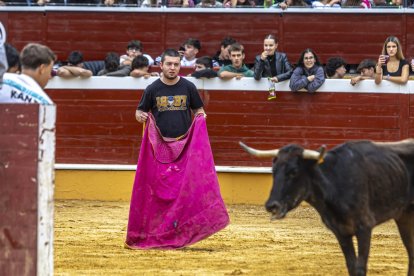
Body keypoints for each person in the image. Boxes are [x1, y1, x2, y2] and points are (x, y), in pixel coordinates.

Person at [125, 48, 229, 249]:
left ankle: (181, 230)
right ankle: (159, 231)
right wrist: (140, 117)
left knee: (184, 193)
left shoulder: (188, 87)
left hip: (185, 150)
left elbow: (198, 109)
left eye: (176, 64)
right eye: (169, 64)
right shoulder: (153, 89)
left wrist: (201, 116)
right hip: (159, 150)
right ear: (161, 65)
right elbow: (139, 112)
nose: (172, 68)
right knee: (158, 192)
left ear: (179, 65)